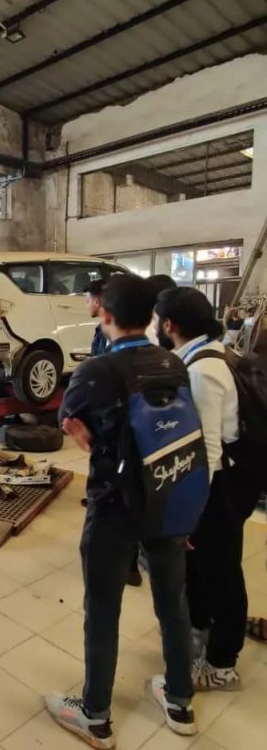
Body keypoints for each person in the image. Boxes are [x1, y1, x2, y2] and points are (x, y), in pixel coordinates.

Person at [47, 275, 196, 749]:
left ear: (105, 314)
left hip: (114, 505)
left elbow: (68, 417)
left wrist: (78, 429)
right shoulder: (173, 361)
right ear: (151, 317)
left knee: (103, 607)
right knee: (172, 602)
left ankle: (95, 715)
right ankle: (179, 701)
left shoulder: (98, 371)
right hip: (169, 496)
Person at [156, 287, 258, 690]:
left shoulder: (203, 370)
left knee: (222, 570)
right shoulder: (208, 354)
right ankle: (201, 635)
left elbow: (209, 450)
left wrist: (191, 510)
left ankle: (222, 666)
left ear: (169, 324)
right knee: (203, 564)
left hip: (222, 485)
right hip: (222, 482)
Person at [85, 279, 108, 356]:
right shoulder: (103, 328)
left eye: (87, 301)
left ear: (96, 302)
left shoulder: (105, 331)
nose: (86, 306)